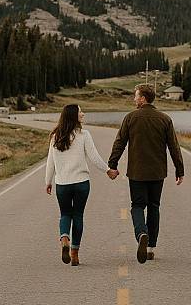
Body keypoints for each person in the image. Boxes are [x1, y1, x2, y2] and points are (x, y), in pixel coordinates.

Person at [108, 84, 184, 263]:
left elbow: (120, 143)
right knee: (154, 207)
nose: (134, 99)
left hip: (137, 172)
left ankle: (141, 233)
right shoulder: (165, 119)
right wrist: (179, 170)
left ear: (143, 99)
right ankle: (150, 248)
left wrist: (112, 164)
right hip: (157, 173)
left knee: (137, 206)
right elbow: (174, 147)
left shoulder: (130, 118)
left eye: (136, 96)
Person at [45, 104, 119, 266]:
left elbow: (50, 161)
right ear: (73, 116)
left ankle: (64, 237)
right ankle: (75, 254)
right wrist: (108, 170)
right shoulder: (84, 135)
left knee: (65, 214)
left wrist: (48, 181)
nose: (83, 114)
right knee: (78, 215)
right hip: (81, 183)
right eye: (80, 112)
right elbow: (93, 157)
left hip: (62, 184)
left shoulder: (55, 136)